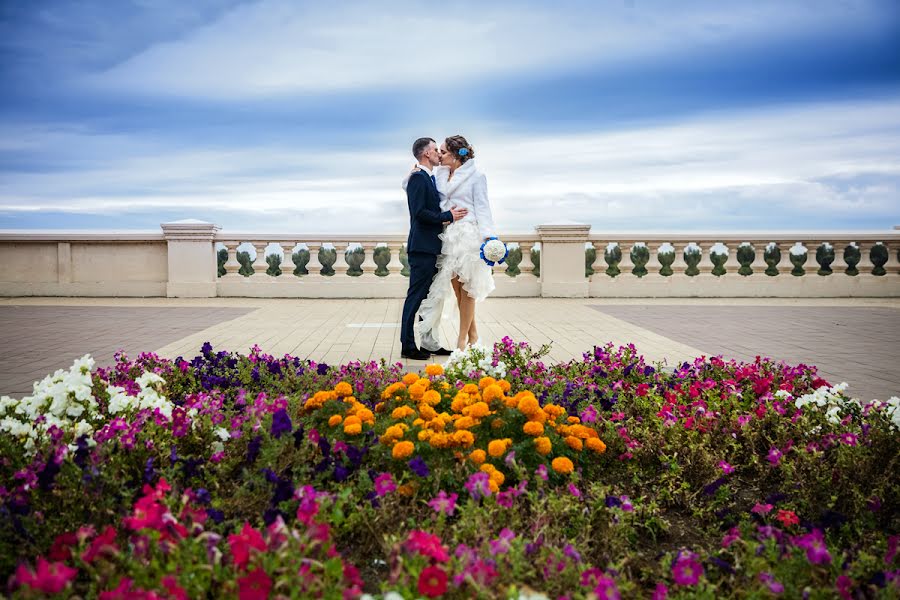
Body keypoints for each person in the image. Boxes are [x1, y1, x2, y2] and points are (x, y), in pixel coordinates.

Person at [406, 135, 497, 352]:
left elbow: (483, 207)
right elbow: (422, 190)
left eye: (444, 151)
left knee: (468, 290)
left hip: (467, 236)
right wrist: (410, 175)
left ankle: (461, 341)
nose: (440, 154)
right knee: (458, 290)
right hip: (447, 235)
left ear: (456, 155)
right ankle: (473, 336)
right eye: (439, 151)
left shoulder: (476, 176)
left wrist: (489, 237)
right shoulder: (439, 173)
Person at [399, 137, 467, 360]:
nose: (439, 153)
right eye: (436, 149)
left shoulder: (425, 177)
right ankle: (407, 345)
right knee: (416, 297)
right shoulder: (418, 178)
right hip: (422, 248)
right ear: (427, 153)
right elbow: (419, 213)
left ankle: (428, 343)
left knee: (430, 299)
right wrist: (448, 217)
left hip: (432, 247)